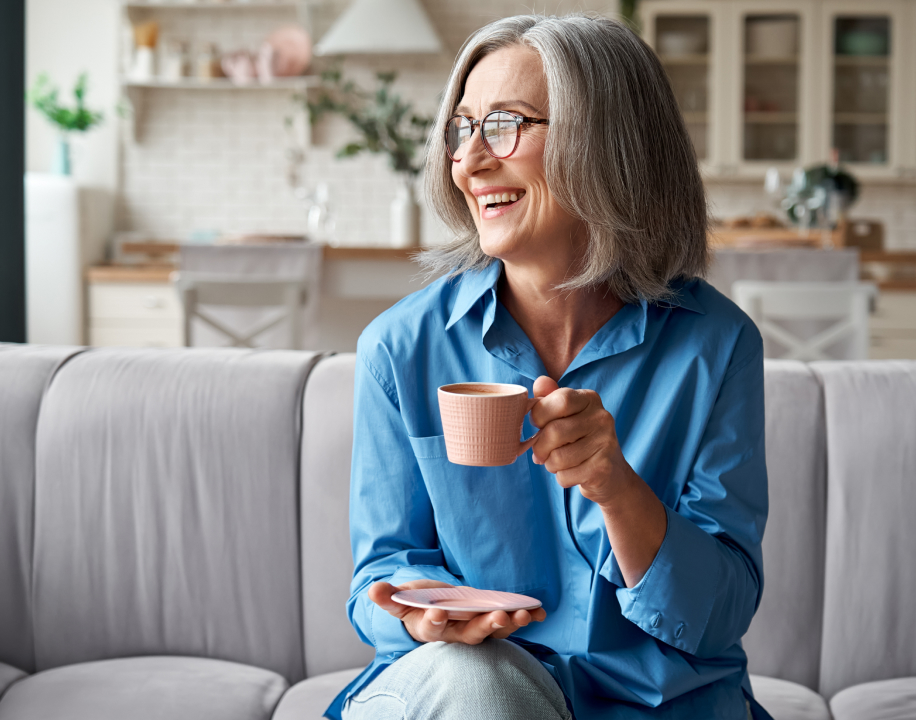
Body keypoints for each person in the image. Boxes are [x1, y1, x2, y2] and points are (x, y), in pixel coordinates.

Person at [325, 13, 771, 720]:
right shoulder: (401, 348)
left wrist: (616, 488)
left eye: (504, 124)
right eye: (460, 129)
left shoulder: (716, 347)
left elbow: (718, 615)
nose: (469, 161)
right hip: (467, 689)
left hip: (658, 705)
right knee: (480, 688)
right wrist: (420, 616)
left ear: (608, 144)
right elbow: (380, 574)